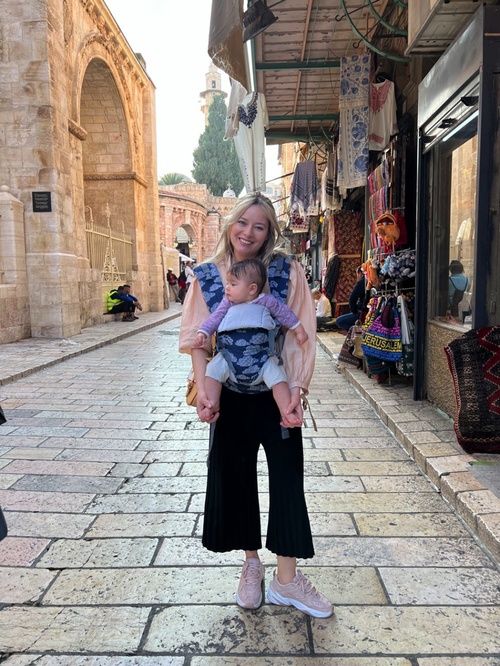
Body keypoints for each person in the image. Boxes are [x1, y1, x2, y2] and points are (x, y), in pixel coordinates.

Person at [179, 192, 333, 618]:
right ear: (231, 223)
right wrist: (205, 390)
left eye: (259, 226)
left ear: (269, 233)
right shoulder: (207, 276)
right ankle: (251, 565)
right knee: (236, 477)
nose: (248, 233)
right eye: (243, 222)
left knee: (287, 477)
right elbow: (198, 338)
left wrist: (297, 388)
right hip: (228, 396)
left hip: (275, 389)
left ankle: (287, 579)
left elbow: (301, 331)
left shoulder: (285, 272)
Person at [193, 257, 308, 424]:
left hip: (262, 358)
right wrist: (202, 332)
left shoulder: (266, 301)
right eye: (227, 283)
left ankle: (286, 411)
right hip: (229, 357)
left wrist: (299, 330)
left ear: (252, 288)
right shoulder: (227, 303)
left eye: (233, 284)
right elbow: (214, 318)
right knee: (212, 372)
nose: (227, 288)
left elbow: (285, 314)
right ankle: (210, 405)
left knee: (279, 379)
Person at [335, 266, 367, 333]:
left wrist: (354, 311)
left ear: (360, 273)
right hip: (371, 311)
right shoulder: (372, 280)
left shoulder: (362, 282)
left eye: (357, 274)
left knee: (339, 321)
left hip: (362, 312)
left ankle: (357, 333)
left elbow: (352, 298)